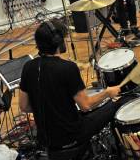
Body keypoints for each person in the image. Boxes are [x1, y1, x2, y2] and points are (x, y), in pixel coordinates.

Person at [19, 19, 121, 150]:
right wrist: (107, 92)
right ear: (58, 42)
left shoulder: (28, 67)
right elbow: (86, 105)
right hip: (71, 136)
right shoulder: (68, 68)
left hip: (45, 139)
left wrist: (50, 107)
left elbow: (24, 106)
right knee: (116, 104)